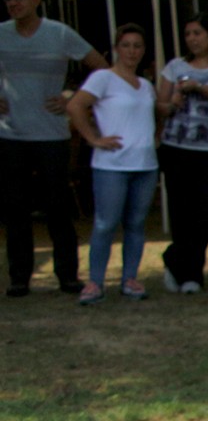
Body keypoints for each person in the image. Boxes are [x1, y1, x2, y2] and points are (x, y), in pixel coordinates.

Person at [0, 0, 107, 296]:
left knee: (58, 208)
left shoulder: (59, 33)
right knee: (15, 210)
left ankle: (68, 275)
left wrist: (72, 97)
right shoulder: (1, 33)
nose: (13, 3)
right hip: (10, 135)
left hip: (51, 135)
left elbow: (101, 68)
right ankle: (19, 277)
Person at [68, 23, 159, 303]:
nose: (132, 51)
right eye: (126, 45)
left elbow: (153, 115)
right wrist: (93, 138)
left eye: (137, 46)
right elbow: (75, 105)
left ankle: (130, 278)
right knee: (106, 223)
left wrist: (155, 137)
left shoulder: (146, 85)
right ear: (117, 48)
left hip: (144, 164)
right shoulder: (103, 78)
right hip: (112, 165)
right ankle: (95, 282)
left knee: (136, 223)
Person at [157, 15, 208, 292]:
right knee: (181, 213)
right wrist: (172, 102)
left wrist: (199, 87)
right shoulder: (174, 67)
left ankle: (174, 259)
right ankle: (191, 276)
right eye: (188, 34)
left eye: (198, 33)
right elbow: (160, 106)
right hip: (177, 148)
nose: (192, 38)